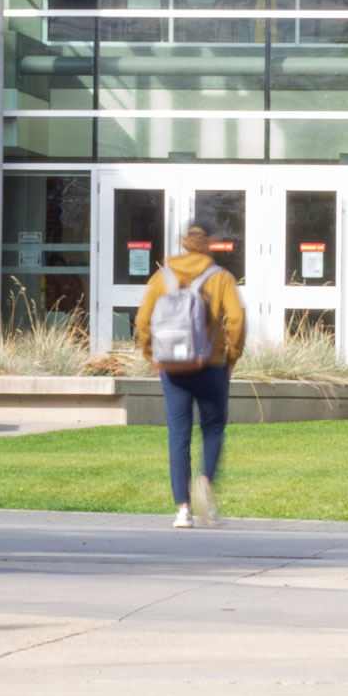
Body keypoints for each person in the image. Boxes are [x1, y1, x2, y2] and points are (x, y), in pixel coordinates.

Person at [135, 221, 246, 530]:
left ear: (184, 243)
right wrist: (231, 356)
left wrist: (152, 356)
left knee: (178, 435)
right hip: (210, 365)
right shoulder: (221, 277)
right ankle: (206, 483)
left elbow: (143, 320)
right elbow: (236, 319)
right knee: (212, 429)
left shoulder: (162, 276)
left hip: (172, 368)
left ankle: (183, 509)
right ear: (209, 243)